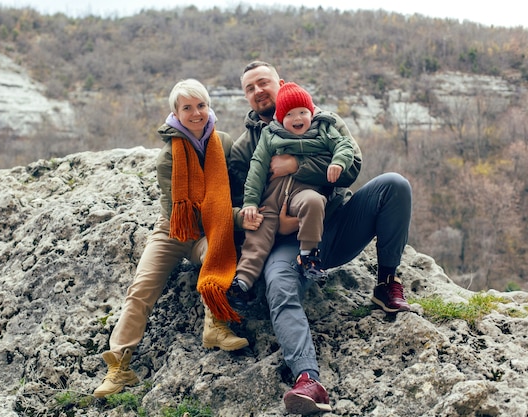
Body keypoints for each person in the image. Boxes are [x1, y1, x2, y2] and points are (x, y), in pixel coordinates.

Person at [228, 61, 412, 415]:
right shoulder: (245, 146)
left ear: (280, 84)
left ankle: (387, 283)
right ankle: (307, 381)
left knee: (394, 185)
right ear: (245, 96)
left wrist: (296, 166)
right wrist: (273, 223)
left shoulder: (324, 121)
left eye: (263, 82)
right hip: (286, 243)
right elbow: (238, 207)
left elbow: (352, 169)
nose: (258, 91)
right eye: (249, 88)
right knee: (279, 287)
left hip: (336, 223)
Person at [93, 78, 259, 398]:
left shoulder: (223, 144)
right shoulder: (168, 157)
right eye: (187, 108)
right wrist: (236, 217)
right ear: (176, 112)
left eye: (201, 106)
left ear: (209, 107)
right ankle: (119, 367)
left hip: (208, 232)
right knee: (141, 288)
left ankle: (215, 327)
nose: (196, 113)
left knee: (220, 249)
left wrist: (238, 215)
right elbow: (180, 214)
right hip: (173, 230)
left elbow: (236, 190)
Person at [235, 81, 355, 295]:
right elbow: (257, 167)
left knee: (314, 202)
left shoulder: (323, 129)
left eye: (302, 112)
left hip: (303, 191)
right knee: (258, 235)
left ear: (311, 112)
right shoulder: (270, 135)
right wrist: (251, 202)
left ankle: (309, 255)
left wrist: (338, 162)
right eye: (289, 115)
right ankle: (242, 282)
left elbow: (344, 145)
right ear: (280, 119)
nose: (297, 118)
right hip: (272, 197)